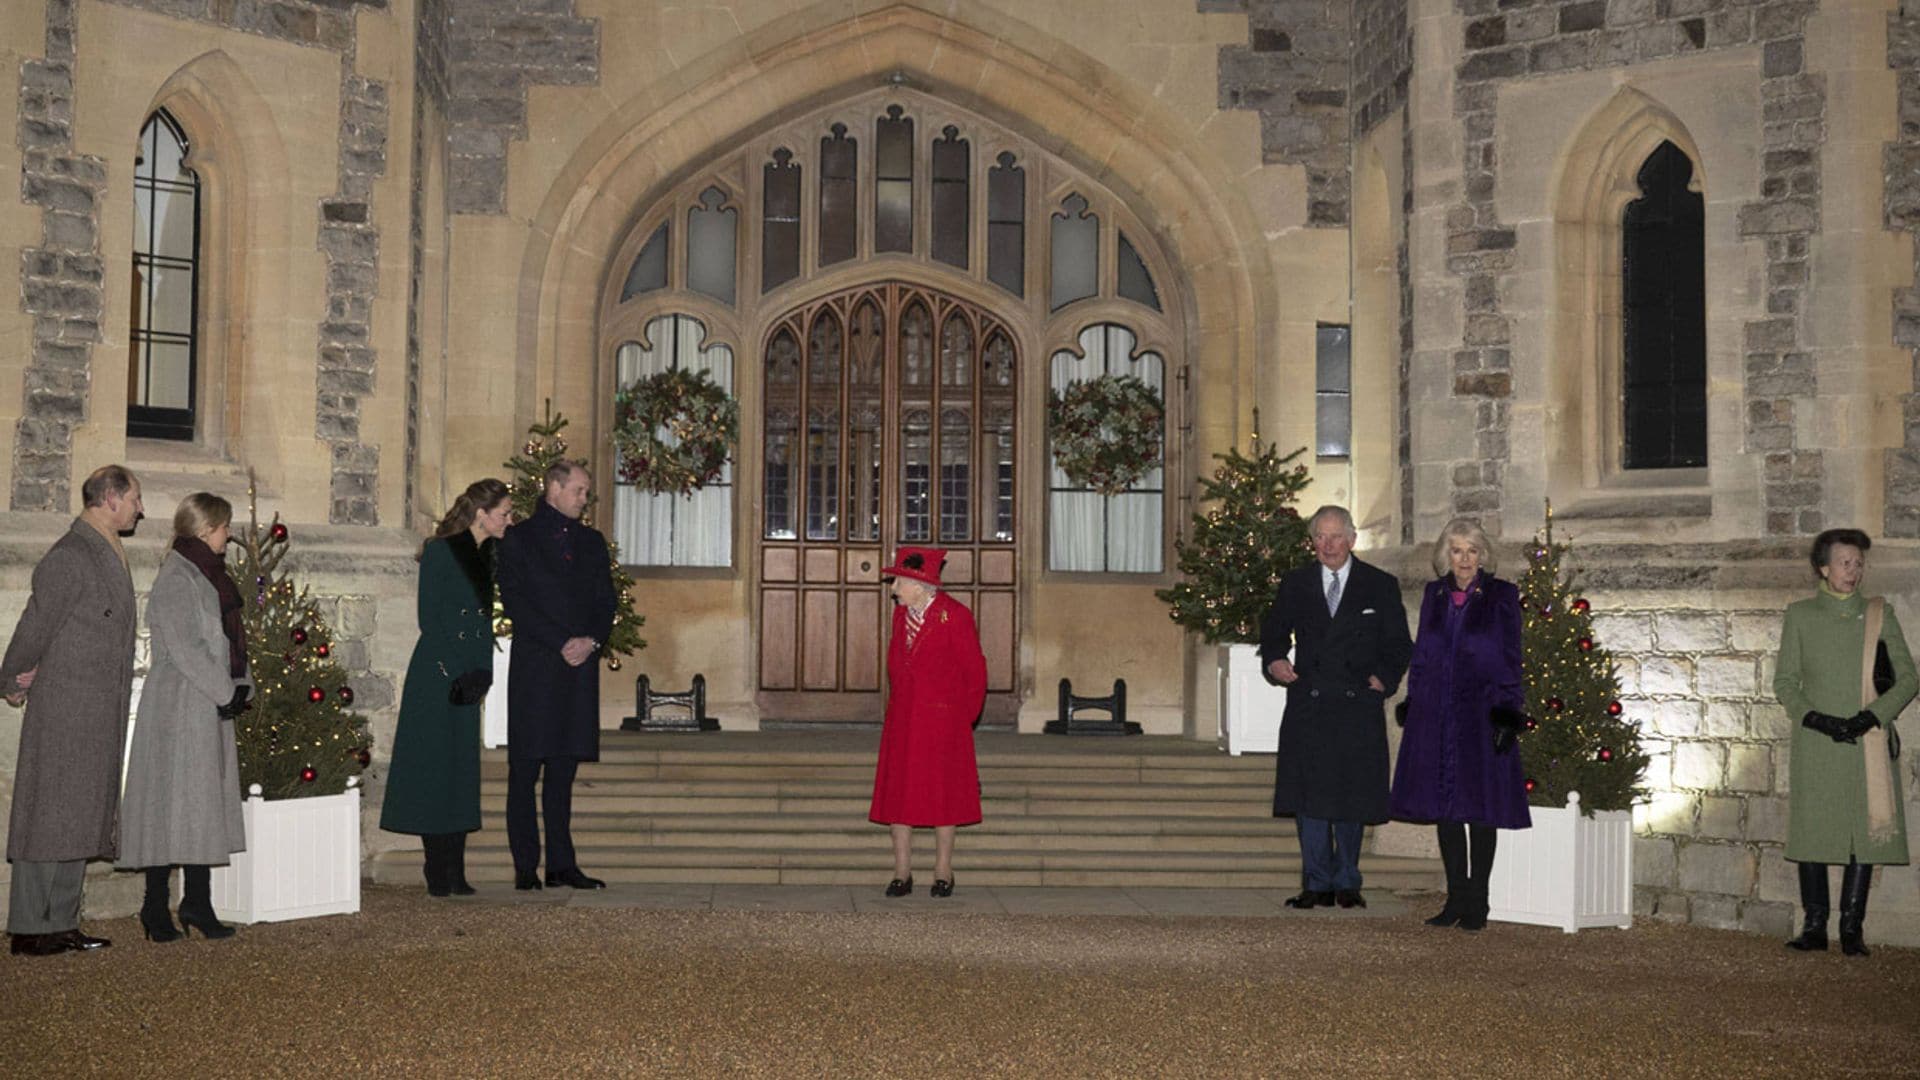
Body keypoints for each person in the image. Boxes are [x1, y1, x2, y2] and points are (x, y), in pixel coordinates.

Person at [0, 465, 143, 957]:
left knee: (78, 813)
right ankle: (28, 927)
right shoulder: (70, 555)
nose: (140, 509)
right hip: (66, 705)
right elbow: (35, 625)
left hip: (96, 705)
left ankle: (59, 922)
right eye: (135, 499)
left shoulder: (105, 549)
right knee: (50, 813)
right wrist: (12, 676)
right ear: (110, 499)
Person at [1259, 505, 1411, 910]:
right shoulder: (1296, 583)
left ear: (1352, 539)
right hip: (1309, 704)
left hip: (1355, 705)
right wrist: (1274, 660)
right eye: (1320, 537)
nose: (1327, 545)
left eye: (1335, 536)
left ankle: (1347, 881)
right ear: (1312, 542)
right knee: (1309, 800)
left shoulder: (1379, 584)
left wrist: (1384, 678)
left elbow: (1399, 644)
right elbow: (1272, 633)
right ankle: (1315, 883)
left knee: (1351, 797)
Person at [1774, 528, 1916, 957]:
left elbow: (1909, 679)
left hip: (1867, 739)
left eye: (1858, 564)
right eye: (1844, 563)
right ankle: (1815, 926)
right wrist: (1813, 718)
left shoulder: (1879, 613)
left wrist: (1871, 717)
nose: (1853, 571)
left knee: (1864, 833)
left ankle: (1851, 928)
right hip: (1817, 742)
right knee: (1813, 830)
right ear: (1823, 567)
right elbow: (1784, 682)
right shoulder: (1799, 615)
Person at [117, 492, 252, 942]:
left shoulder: (213, 576)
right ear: (203, 528)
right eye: (223, 526)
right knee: (168, 804)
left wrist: (239, 687)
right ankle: (154, 905)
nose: (228, 534)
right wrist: (224, 690)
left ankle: (198, 900)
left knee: (201, 804)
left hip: (207, 703)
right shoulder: (177, 577)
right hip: (179, 705)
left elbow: (231, 642)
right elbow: (184, 646)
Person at [1388, 517, 1531, 931]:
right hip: (1437, 713)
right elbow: (1423, 656)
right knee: (1446, 811)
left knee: (1480, 810)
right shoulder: (1434, 595)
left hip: (1482, 714)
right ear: (1445, 555)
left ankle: (1478, 903)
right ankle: (1455, 898)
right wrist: (1413, 701)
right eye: (1457, 550)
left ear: (1482, 554)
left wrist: (1507, 711)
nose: (1465, 559)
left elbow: (1509, 657)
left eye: (1472, 550)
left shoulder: (1502, 596)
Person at [380, 479, 513, 896]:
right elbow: (431, 621)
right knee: (434, 771)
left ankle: (456, 869)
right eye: (505, 512)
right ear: (481, 514)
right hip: (438, 674)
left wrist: (481, 672)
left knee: (459, 772)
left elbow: (481, 623)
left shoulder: (489, 553)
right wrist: (456, 671)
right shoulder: (441, 551)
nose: (510, 519)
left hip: (470, 674)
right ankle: (437, 868)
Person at [495, 462, 617, 891]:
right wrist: (561, 641)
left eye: (586, 492)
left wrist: (591, 641)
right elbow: (516, 602)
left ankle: (562, 864)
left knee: (563, 772)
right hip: (537, 667)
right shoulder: (518, 538)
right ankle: (526, 866)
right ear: (554, 487)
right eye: (579, 490)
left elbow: (606, 602)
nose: (585, 499)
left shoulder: (592, 542)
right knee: (525, 770)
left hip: (578, 670)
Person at [868, 547, 987, 898]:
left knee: (943, 797)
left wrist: (961, 719)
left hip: (942, 721)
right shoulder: (900, 617)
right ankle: (902, 872)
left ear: (921, 585)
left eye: (899, 581)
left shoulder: (956, 616)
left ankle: (943, 871)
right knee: (898, 797)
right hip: (904, 720)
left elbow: (975, 672)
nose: (893, 588)